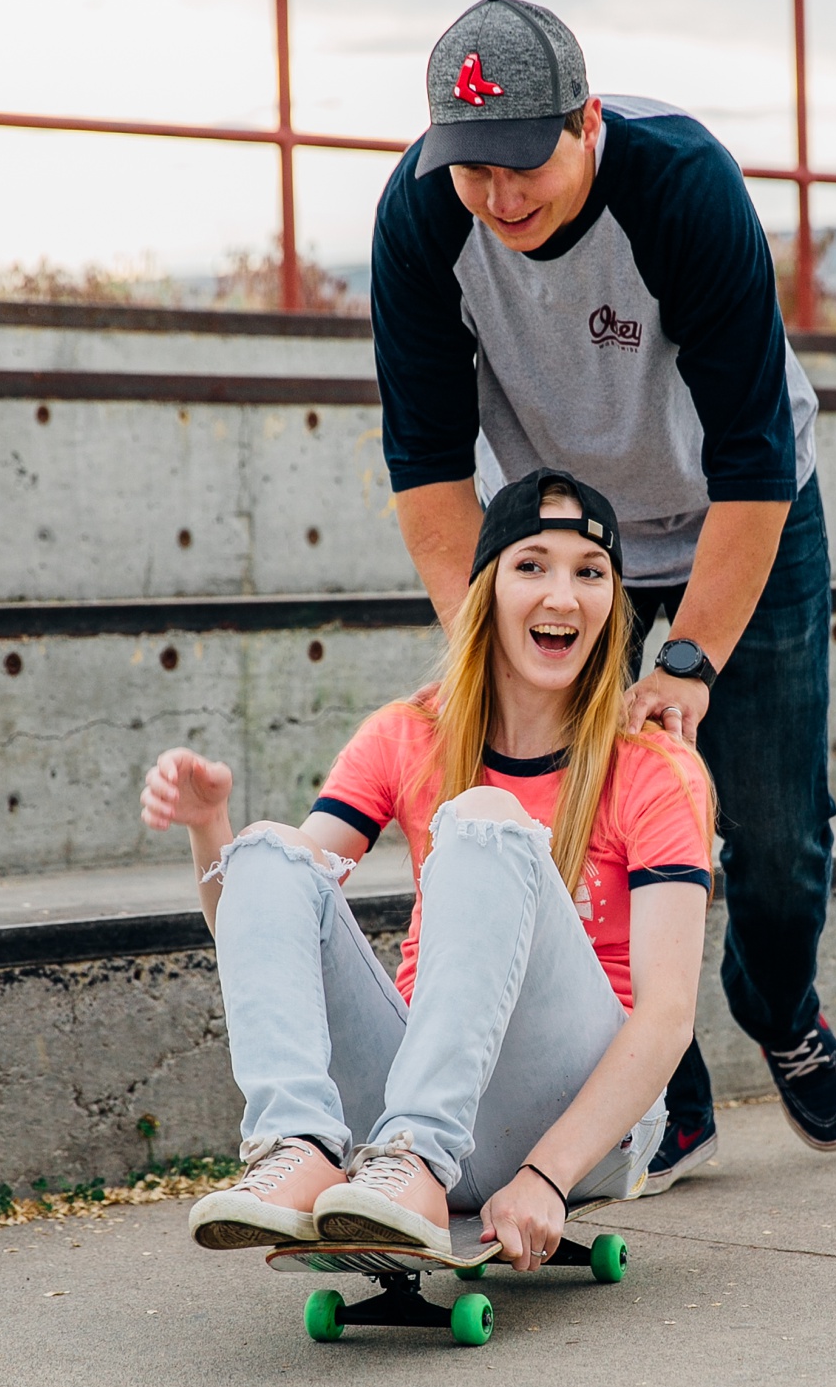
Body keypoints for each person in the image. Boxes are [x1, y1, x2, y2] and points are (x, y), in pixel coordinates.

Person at [369, 0, 836, 1190]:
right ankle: (666, 1092)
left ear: (585, 121)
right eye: (471, 167)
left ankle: (776, 996)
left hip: (738, 512)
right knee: (582, 820)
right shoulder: (421, 219)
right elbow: (427, 467)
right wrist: (499, 639)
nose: (500, 192)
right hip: (566, 541)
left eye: (524, 161)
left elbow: (750, 456)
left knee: (777, 836)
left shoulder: (684, 186)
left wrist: (685, 665)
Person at [140, 471, 714, 1269]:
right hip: (411, 1096)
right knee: (272, 850)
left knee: (484, 819)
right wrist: (210, 833)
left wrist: (547, 1177)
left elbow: (668, 1017)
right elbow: (277, 926)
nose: (564, 594)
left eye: (590, 572)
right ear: (486, 589)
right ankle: (298, 1143)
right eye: (532, 565)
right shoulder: (408, 736)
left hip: (578, 1115)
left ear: (614, 607)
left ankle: (417, 1154)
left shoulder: (655, 769)